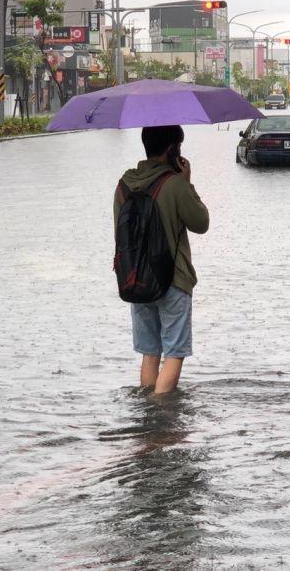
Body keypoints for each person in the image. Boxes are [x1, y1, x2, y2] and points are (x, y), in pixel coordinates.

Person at [113, 125, 209, 395]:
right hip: (174, 280)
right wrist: (187, 182)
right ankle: (160, 417)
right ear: (172, 149)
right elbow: (201, 223)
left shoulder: (123, 184)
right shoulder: (175, 184)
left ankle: (146, 414)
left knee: (149, 352)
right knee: (175, 353)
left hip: (136, 278)